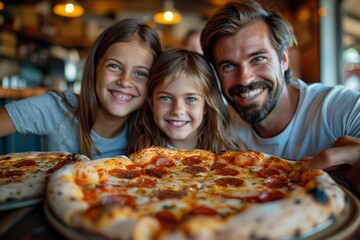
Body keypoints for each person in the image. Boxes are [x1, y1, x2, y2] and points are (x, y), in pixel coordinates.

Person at [200, 0, 360, 192]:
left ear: (283, 59)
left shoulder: (344, 109)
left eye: (258, 59)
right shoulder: (218, 126)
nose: (244, 79)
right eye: (228, 66)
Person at [0, 18, 162, 159]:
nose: (125, 81)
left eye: (140, 73)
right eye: (114, 66)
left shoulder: (155, 131)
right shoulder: (57, 108)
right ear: (95, 67)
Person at [126, 48, 244, 154]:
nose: (177, 110)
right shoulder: (137, 155)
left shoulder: (231, 154)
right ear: (151, 103)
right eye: (165, 98)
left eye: (190, 99)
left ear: (206, 105)